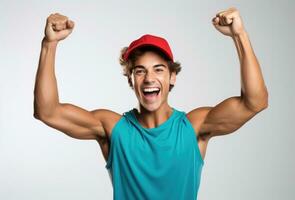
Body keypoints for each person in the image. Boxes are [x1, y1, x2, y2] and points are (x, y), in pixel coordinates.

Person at [33, 7, 268, 200]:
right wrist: (49, 44)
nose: (149, 79)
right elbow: (47, 111)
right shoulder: (113, 128)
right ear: (130, 79)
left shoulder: (194, 126)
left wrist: (240, 36)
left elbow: (255, 102)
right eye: (139, 71)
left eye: (158, 69)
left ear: (172, 77)